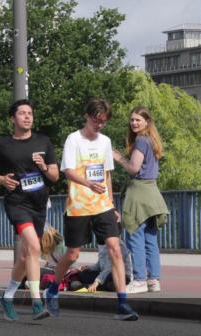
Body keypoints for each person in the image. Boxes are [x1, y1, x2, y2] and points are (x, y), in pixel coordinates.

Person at [46, 99, 138, 321]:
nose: (99, 126)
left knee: (115, 248)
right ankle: (52, 290)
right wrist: (87, 184)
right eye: (96, 121)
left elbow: (106, 173)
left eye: (103, 122)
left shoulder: (105, 142)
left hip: (102, 205)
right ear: (87, 117)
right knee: (72, 254)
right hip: (78, 206)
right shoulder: (73, 139)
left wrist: (111, 204)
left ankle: (122, 304)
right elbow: (67, 171)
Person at [0, 99, 59, 320]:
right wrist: (0, 179)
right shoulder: (3, 145)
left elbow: (54, 176)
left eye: (30, 113)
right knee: (35, 247)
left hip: (39, 204)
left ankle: (7, 298)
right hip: (17, 203)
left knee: (26, 258)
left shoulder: (43, 142)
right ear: (13, 119)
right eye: (23, 113)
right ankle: (36, 302)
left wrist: (43, 167)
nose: (27, 117)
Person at [114, 107, 170, 294]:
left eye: (138, 120)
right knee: (150, 239)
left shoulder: (140, 140)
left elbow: (134, 168)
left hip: (139, 193)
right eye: (132, 120)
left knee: (135, 237)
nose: (134, 123)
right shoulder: (152, 140)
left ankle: (139, 280)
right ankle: (154, 280)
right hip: (153, 193)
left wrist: (119, 158)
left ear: (147, 122)